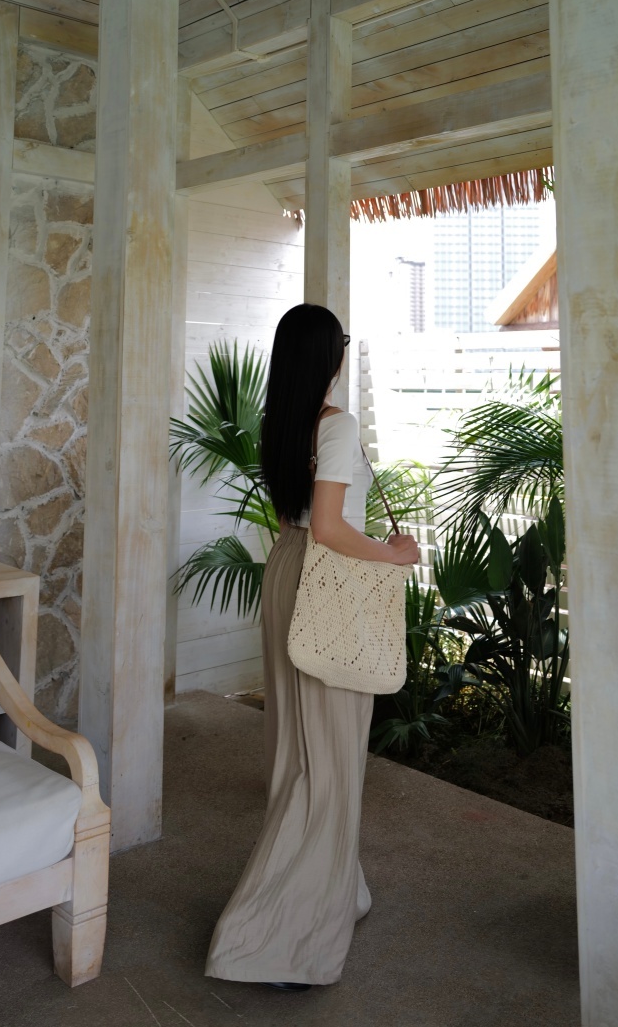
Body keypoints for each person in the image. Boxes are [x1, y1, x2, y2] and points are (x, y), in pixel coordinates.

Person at [205, 303, 420, 991]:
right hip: (328, 578)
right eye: (343, 342)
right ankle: (273, 936)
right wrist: (392, 554)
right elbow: (329, 526)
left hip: (287, 572)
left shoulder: (282, 421)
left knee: (299, 745)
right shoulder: (338, 425)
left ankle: (336, 886)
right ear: (330, 355)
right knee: (329, 756)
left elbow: (292, 519)